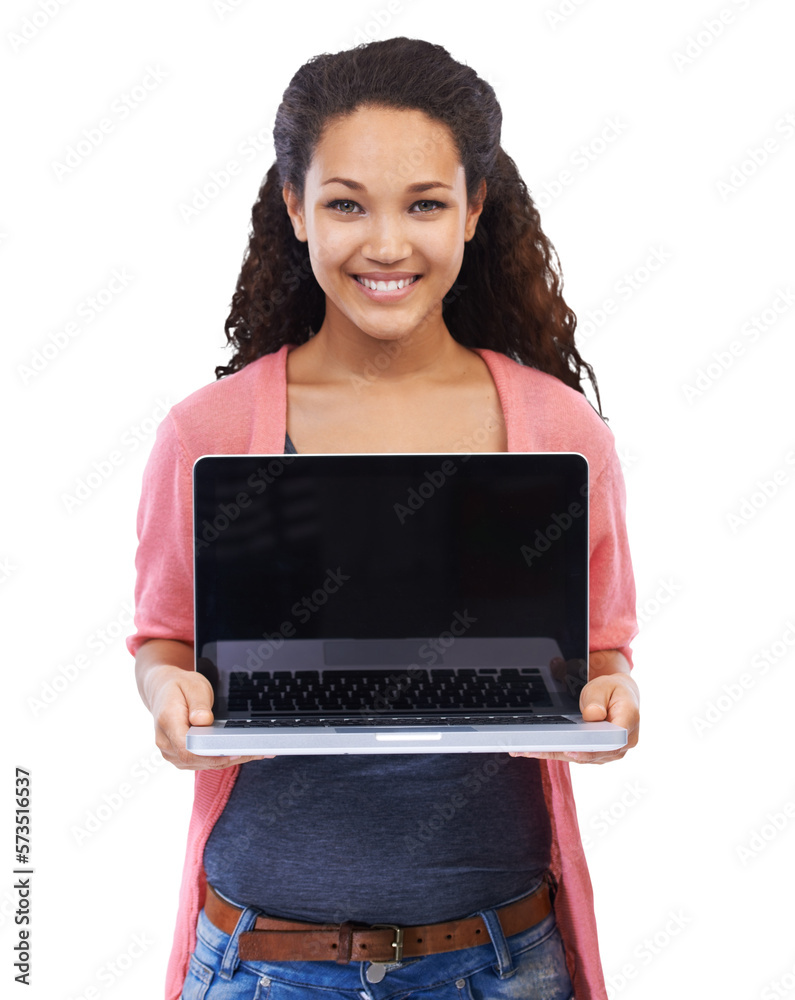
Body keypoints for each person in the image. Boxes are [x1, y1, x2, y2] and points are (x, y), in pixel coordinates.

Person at [128, 36, 639, 1000]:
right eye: (346, 204)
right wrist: (168, 693)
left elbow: (600, 649)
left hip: (499, 963)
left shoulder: (558, 430)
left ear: (475, 210)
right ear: (294, 208)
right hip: (261, 964)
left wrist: (608, 697)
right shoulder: (209, 431)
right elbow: (164, 636)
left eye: (426, 204)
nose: (387, 244)